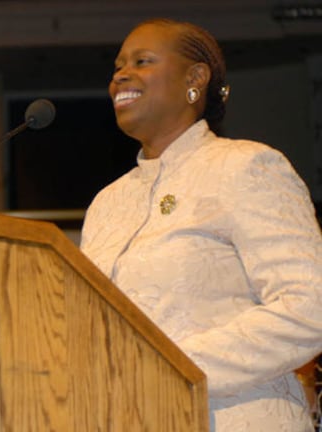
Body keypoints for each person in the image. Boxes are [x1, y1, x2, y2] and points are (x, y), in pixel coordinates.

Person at [80, 18, 322, 431]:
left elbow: (309, 306)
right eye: (118, 66)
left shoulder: (244, 166)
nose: (121, 75)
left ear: (195, 78)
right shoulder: (106, 204)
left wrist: (174, 364)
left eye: (142, 61)